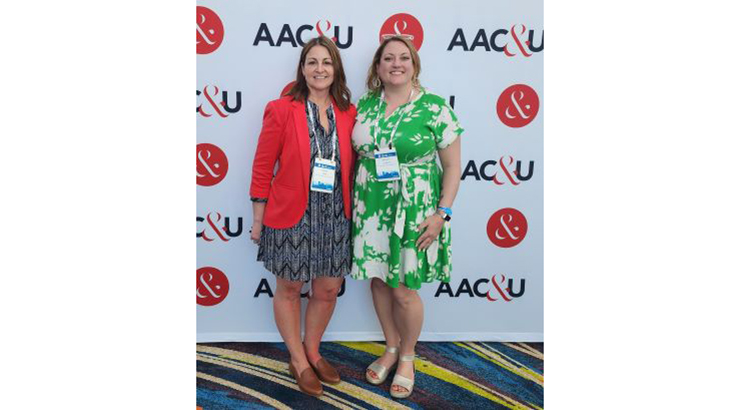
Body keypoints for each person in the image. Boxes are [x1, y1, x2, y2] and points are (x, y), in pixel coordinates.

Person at [350, 36, 463, 399]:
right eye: (388, 58)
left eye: (403, 58)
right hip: (370, 205)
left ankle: (408, 356)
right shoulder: (365, 104)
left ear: (414, 65)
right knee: (379, 281)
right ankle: (390, 347)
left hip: (414, 208)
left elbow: (452, 167)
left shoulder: (435, 108)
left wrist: (442, 213)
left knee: (403, 289)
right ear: (377, 67)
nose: (395, 64)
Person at [249, 36, 356, 397]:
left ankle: (313, 351)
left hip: (336, 216)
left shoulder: (349, 112)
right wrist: (258, 219)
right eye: (312, 62)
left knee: (327, 290)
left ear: (336, 69)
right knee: (290, 289)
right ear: (302, 69)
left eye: (326, 62)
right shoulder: (281, 109)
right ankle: (297, 360)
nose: (319, 69)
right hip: (292, 216)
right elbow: (263, 166)